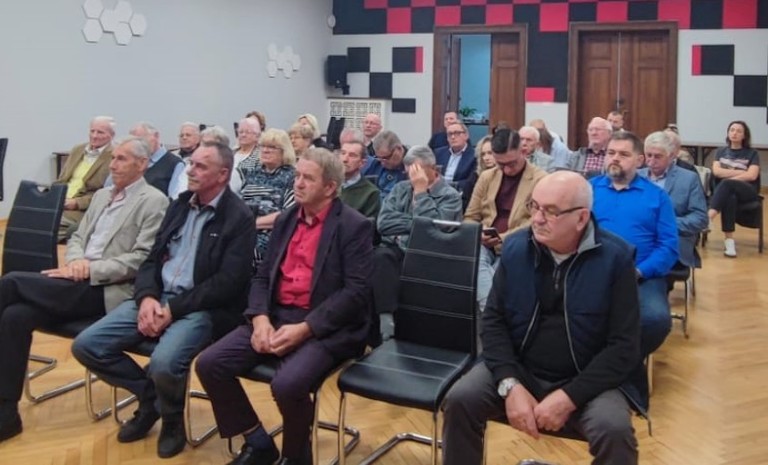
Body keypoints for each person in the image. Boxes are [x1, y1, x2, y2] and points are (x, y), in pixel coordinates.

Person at [442, 171, 642, 465]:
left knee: (614, 430)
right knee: (460, 399)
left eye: (550, 211)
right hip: (520, 369)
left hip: (588, 379)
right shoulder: (516, 248)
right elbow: (494, 321)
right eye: (534, 206)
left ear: (581, 218)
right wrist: (510, 384)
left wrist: (570, 396)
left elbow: (624, 346)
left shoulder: (616, 259)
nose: (536, 218)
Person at [71, 141, 255, 459]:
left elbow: (227, 283)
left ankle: (172, 420)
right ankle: (151, 399)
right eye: (191, 163)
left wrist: (172, 310)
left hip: (199, 308)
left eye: (201, 166)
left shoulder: (238, 218)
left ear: (223, 174)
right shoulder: (179, 205)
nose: (190, 171)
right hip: (156, 298)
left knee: (164, 363)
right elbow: (151, 260)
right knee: (87, 345)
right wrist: (146, 299)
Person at [195, 148, 373, 465]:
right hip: (276, 315)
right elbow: (262, 276)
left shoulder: (353, 225)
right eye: (297, 176)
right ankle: (258, 442)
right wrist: (260, 319)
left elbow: (355, 293)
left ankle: (295, 456)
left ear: (330, 187)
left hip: (324, 324)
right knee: (210, 364)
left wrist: (306, 329)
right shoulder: (287, 219)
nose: (298, 183)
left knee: (288, 384)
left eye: (308, 178)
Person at [0, 136, 168, 444]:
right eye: (113, 158)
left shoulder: (154, 201)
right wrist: (76, 263)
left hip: (108, 287)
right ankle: (7, 414)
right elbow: (77, 237)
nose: (112, 165)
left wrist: (90, 270)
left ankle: (151, 396)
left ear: (142, 164)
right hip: (76, 279)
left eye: (121, 159)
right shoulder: (103, 196)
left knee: (11, 283)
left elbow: (142, 259)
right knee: (15, 315)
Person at [590, 131, 678, 387]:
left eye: (623, 154)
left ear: (640, 160)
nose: (615, 158)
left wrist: (640, 271)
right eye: (611, 153)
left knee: (656, 320)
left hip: (640, 275)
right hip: (593, 270)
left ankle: (619, 366)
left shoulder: (657, 197)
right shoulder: (589, 189)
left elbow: (669, 246)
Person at [373, 146, 463, 325]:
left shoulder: (450, 196)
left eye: (417, 171)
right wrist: (414, 226)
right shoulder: (401, 188)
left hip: (431, 253)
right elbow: (383, 223)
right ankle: (385, 320)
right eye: (409, 171)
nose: (412, 177)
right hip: (396, 249)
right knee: (380, 256)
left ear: (433, 168)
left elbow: (433, 232)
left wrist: (421, 193)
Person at [464, 129, 546, 311]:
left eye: (512, 163)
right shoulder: (487, 177)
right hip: (484, 243)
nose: (507, 169)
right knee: (473, 259)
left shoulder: (540, 180)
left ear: (523, 151)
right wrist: (478, 234)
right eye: (501, 164)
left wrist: (503, 238)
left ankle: (489, 312)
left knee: (497, 270)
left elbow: (536, 222)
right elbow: (471, 216)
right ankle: (493, 311)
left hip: (519, 243)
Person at [639, 131, 707, 269]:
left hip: (671, 239)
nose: (651, 161)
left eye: (658, 156)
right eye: (648, 155)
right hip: (639, 237)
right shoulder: (636, 177)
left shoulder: (689, 179)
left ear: (671, 156)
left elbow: (700, 218)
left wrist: (665, 223)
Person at [239, 128, 297, 261]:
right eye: (263, 146)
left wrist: (252, 224)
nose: (265, 150)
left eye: (272, 147)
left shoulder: (292, 176)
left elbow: (288, 214)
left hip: (272, 236)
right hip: (244, 231)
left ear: (284, 151)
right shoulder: (252, 174)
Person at [56, 116, 116, 240]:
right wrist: (54, 196)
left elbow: (108, 193)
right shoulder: (77, 150)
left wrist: (77, 203)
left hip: (82, 209)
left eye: (100, 132)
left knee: (48, 222)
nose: (94, 136)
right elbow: (61, 180)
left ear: (111, 135)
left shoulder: (114, 156)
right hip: (60, 200)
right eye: (92, 131)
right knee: (28, 215)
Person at [708, 120, 761, 258]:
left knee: (727, 183)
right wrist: (741, 172)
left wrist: (729, 177)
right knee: (729, 197)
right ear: (728, 133)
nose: (734, 133)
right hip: (727, 192)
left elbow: (752, 175)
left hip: (747, 190)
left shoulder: (752, 153)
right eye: (732, 130)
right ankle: (729, 242)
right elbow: (716, 171)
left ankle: (708, 217)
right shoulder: (720, 151)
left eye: (738, 131)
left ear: (744, 135)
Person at [105, 122, 185, 198]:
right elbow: (107, 187)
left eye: (141, 140)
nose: (138, 146)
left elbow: (174, 197)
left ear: (156, 136)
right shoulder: (128, 161)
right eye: (133, 143)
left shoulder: (175, 164)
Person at [338, 138, 380, 219]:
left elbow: (369, 224)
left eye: (352, 155)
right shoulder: (328, 185)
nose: (345, 159)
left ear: (362, 163)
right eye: (343, 153)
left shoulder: (371, 193)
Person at [434, 121, 476, 194]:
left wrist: (448, 186)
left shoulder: (474, 155)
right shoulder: (439, 153)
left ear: (466, 135)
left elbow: (471, 182)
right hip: (438, 192)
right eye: (450, 134)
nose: (453, 137)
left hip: (459, 193)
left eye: (457, 133)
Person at [231, 117, 262, 195]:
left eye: (248, 132)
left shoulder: (260, 156)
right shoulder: (230, 153)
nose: (243, 135)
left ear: (257, 135)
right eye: (241, 132)